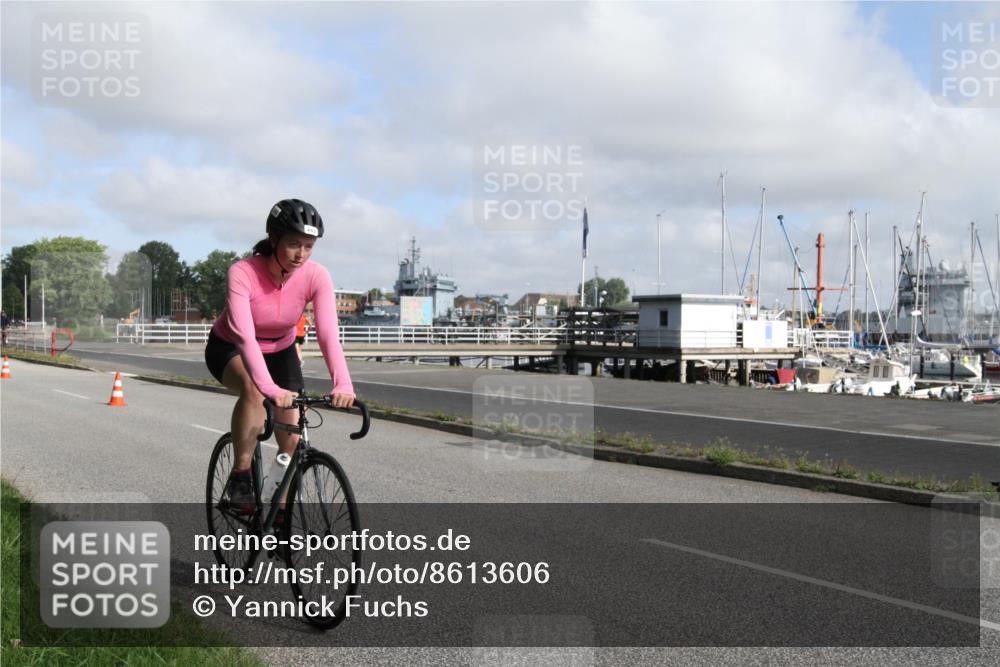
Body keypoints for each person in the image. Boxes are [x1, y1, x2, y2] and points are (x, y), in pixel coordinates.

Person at [204, 198, 355, 509]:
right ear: (274, 239)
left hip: (281, 349)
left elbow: (328, 334)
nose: (301, 254)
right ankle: (241, 477)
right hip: (230, 346)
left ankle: (281, 509)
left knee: (292, 440)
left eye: (309, 246)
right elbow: (244, 336)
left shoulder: (317, 275)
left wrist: (343, 384)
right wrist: (269, 388)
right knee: (253, 390)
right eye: (293, 244)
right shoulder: (243, 272)